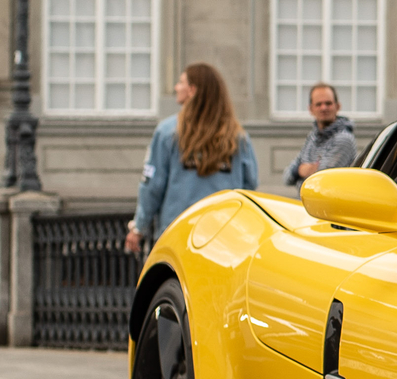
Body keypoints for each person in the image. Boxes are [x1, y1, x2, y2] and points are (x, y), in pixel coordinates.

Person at [126, 63, 259, 253]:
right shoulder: (237, 136)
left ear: (192, 90)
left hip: (178, 234)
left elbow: (152, 186)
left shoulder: (168, 132)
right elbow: (250, 184)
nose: (176, 88)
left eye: (181, 82)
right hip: (224, 236)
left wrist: (139, 227)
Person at [291, 83, 358, 190]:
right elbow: (287, 177)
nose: (323, 108)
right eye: (318, 104)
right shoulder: (312, 137)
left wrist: (304, 172)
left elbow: (322, 181)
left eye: (328, 103)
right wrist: (299, 170)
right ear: (311, 109)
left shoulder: (344, 139)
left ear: (338, 106)